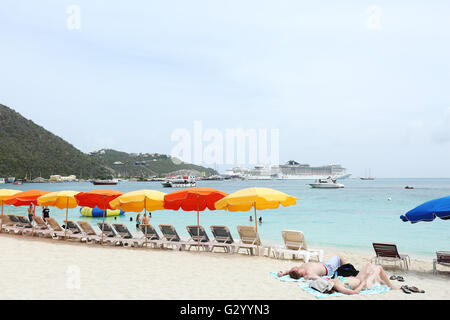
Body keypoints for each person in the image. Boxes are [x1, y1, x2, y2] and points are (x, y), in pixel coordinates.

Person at [327, 263, 398, 295]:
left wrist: (349, 278)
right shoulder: (338, 287)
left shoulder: (332, 281)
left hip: (358, 278)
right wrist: (363, 284)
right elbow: (354, 292)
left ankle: (381, 281)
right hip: (363, 284)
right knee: (379, 268)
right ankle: (390, 285)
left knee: (369, 265)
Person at [277, 255, 346, 280]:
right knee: (338, 257)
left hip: (323, 264)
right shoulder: (309, 274)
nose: (292, 267)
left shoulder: (299, 268)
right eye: (292, 268)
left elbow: (287, 271)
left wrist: (281, 273)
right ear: (297, 271)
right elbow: (319, 278)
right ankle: (349, 270)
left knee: (338, 260)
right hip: (328, 268)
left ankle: (345, 269)